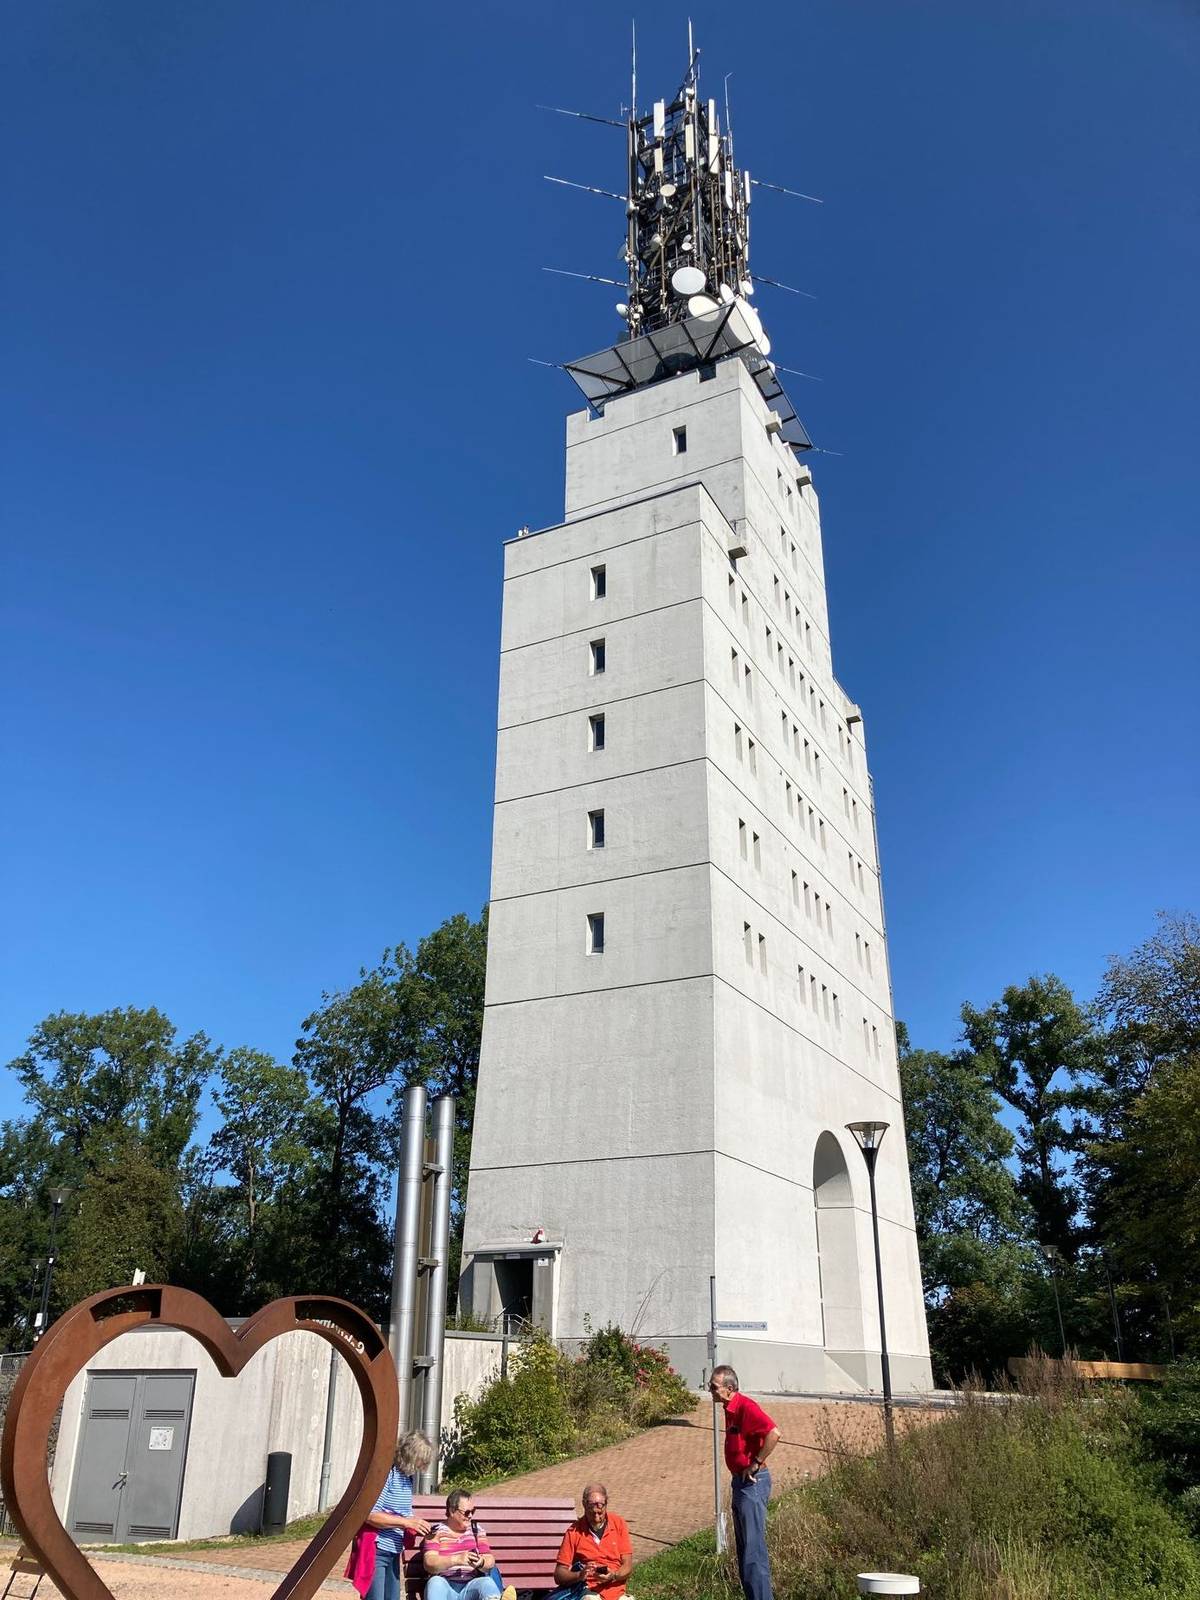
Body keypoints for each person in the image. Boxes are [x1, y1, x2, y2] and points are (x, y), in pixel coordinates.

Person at [708, 1365, 780, 1600]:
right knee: (744, 1553)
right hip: (739, 1483)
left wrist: (756, 1462)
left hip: (753, 1484)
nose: (710, 1391)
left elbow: (774, 1433)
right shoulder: (729, 1409)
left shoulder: (746, 1407)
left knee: (753, 1553)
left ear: (729, 1389)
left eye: (714, 1386)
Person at [358, 1430, 435, 1600]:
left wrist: (417, 1523)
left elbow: (403, 1514)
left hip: (393, 1551)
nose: (423, 1466)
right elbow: (370, 1515)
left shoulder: (407, 1479)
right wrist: (407, 1523)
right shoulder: (388, 1475)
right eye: (421, 1460)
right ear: (411, 1456)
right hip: (377, 1550)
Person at [422, 1489, 516, 1600]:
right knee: (435, 1582)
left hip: (470, 1587)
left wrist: (481, 1562)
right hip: (445, 1586)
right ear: (452, 1511)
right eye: (467, 1512)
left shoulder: (476, 1531)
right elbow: (429, 1563)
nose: (470, 1515)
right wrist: (456, 1560)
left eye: (473, 1511)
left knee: (486, 1582)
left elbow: (489, 1559)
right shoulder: (435, 1532)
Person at [550, 1482, 634, 1600]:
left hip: (616, 1590)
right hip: (588, 1590)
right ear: (584, 1505)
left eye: (600, 1512)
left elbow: (628, 1566)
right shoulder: (574, 1531)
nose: (596, 1517)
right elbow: (559, 1575)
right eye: (591, 1512)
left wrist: (613, 1575)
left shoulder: (618, 1523)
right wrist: (580, 1575)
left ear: (606, 1505)